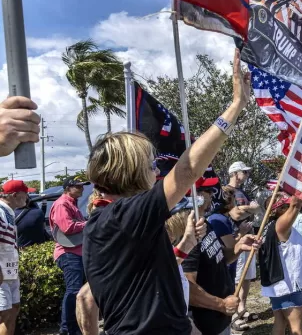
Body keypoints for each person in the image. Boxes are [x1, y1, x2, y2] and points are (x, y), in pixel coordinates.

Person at [83, 48, 255, 334]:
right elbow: (188, 171)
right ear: (129, 172)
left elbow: (144, 276)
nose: (156, 171)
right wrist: (235, 106)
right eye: (150, 164)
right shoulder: (120, 217)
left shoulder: (109, 222)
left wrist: (185, 244)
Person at [76, 198, 207, 335]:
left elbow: (162, 268)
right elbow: (84, 297)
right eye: (188, 212)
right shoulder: (133, 254)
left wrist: (188, 243)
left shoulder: (162, 252)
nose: (197, 217)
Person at [183, 181, 260, 335]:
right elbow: (187, 288)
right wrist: (221, 304)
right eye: (206, 190)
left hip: (221, 318)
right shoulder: (187, 235)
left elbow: (219, 257)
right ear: (192, 195)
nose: (212, 194)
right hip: (204, 325)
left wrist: (238, 247)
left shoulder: (204, 223)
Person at [259, 193, 302, 335]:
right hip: (287, 286)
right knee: (296, 329)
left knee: (280, 323)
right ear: (280, 208)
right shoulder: (281, 225)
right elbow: (296, 204)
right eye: (284, 198)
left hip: (277, 284)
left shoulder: (270, 225)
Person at [206, 185, 258, 332]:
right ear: (228, 202)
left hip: (228, 266)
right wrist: (242, 234)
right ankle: (233, 320)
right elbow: (231, 247)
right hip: (225, 266)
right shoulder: (219, 220)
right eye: (235, 199)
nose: (237, 203)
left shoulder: (223, 218)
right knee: (227, 294)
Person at [49, 176, 90, 335]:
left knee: (77, 291)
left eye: (82, 186)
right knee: (73, 291)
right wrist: (89, 223)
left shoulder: (71, 204)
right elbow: (67, 227)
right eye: (77, 186)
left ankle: (72, 327)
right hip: (68, 254)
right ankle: (67, 329)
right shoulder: (62, 203)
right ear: (68, 188)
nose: (81, 189)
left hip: (75, 252)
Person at [226, 161, 262, 321]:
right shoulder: (227, 191)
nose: (247, 175)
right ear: (235, 173)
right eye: (244, 172)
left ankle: (242, 307)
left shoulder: (243, 192)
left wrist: (248, 209)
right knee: (237, 275)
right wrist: (251, 209)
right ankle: (234, 311)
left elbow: (253, 210)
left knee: (247, 274)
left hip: (249, 237)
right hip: (236, 238)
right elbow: (235, 214)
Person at [0, 180, 32, 335]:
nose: (27, 196)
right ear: (14, 195)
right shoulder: (0, 211)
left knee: (13, 310)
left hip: (9, 271)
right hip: (1, 273)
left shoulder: (9, 211)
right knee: (4, 314)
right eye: (25, 193)